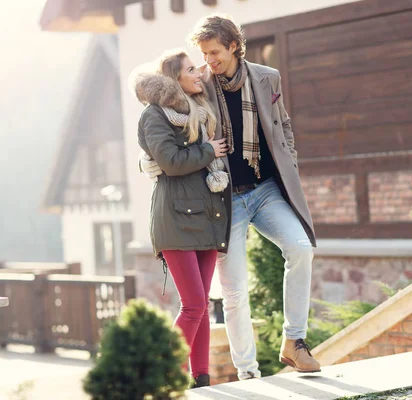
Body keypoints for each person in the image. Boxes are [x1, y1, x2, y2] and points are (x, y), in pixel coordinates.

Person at [140, 15, 321, 380]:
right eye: (203, 54)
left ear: (234, 46)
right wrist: (149, 162)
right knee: (234, 291)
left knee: (301, 248)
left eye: (215, 52)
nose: (209, 61)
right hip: (224, 200)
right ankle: (247, 372)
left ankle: (295, 342)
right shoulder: (198, 84)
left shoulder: (267, 77)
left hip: (266, 188)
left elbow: (281, 123)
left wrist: (291, 160)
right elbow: (168, 122)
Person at [131, 49, 230, 388]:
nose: (198, 74)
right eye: (191, 69)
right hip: (174, 218)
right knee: (194, 305)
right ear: (175, 78)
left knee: (201, 307)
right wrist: (208, 151)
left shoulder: (201, 112)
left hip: (206, 215)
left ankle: (200, 379)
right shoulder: (154, 115)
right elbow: (170, 162)